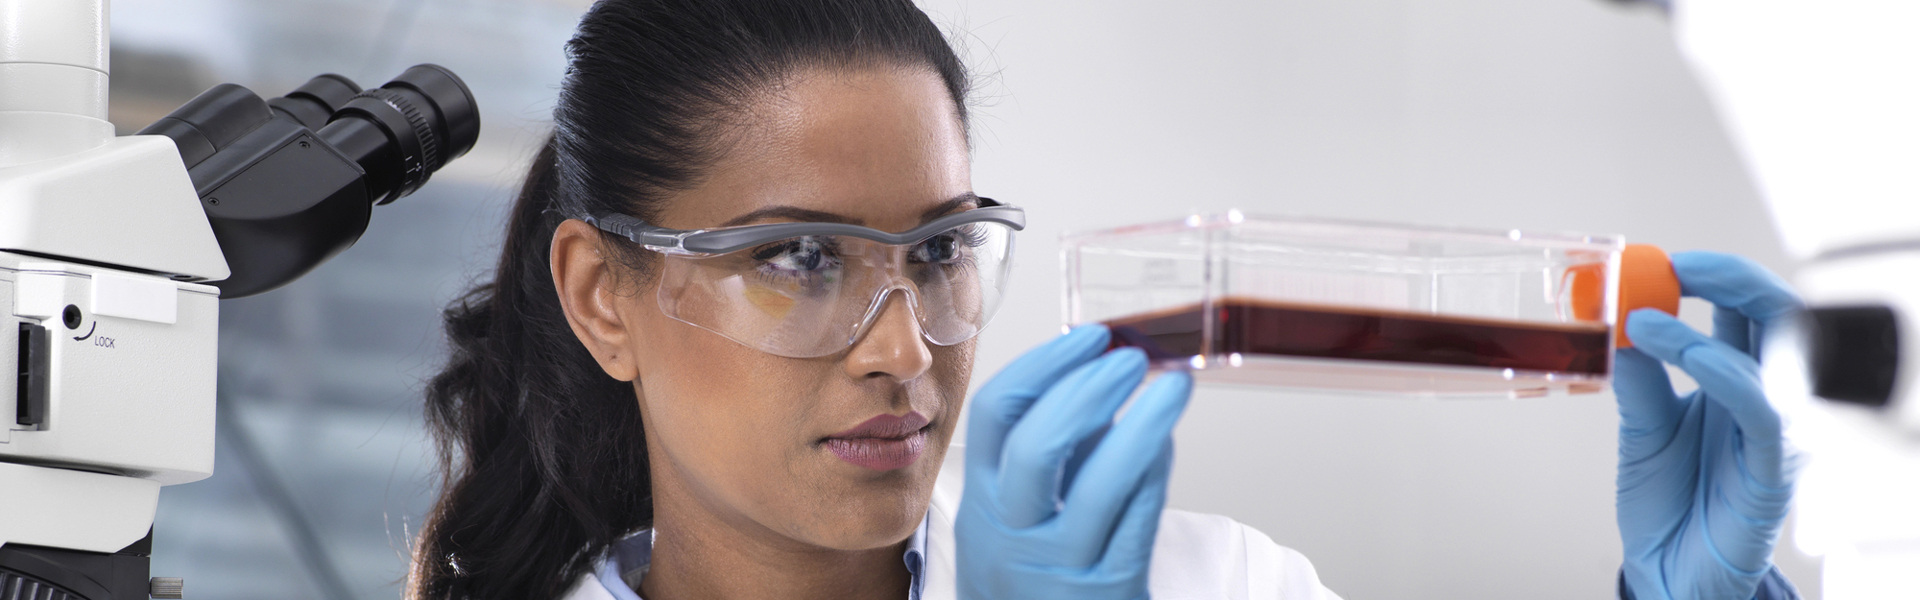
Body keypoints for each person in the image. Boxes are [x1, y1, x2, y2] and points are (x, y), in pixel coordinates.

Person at [407, 1, 1805, 598]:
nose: (907, 351)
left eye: (942, 250)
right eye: (801, 258)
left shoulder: (1216, 586)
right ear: (603, 296)